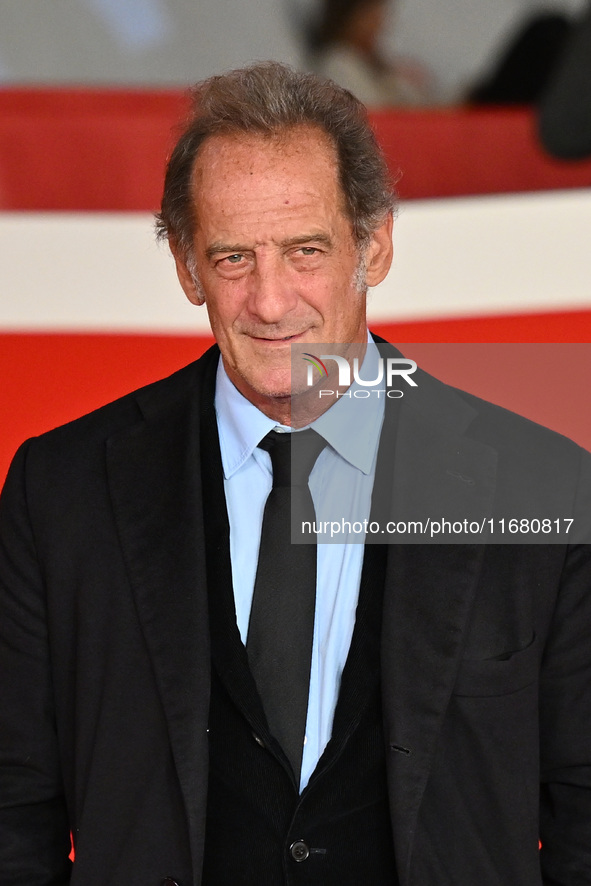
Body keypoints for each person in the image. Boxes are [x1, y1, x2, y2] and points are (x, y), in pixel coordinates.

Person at [1, 61, 591, 886]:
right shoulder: (60, 490)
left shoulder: (541, 488)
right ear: (185, 266)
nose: (271, 302)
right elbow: (14, 806)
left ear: (374, 244)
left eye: (304, 250)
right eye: (232, 257)